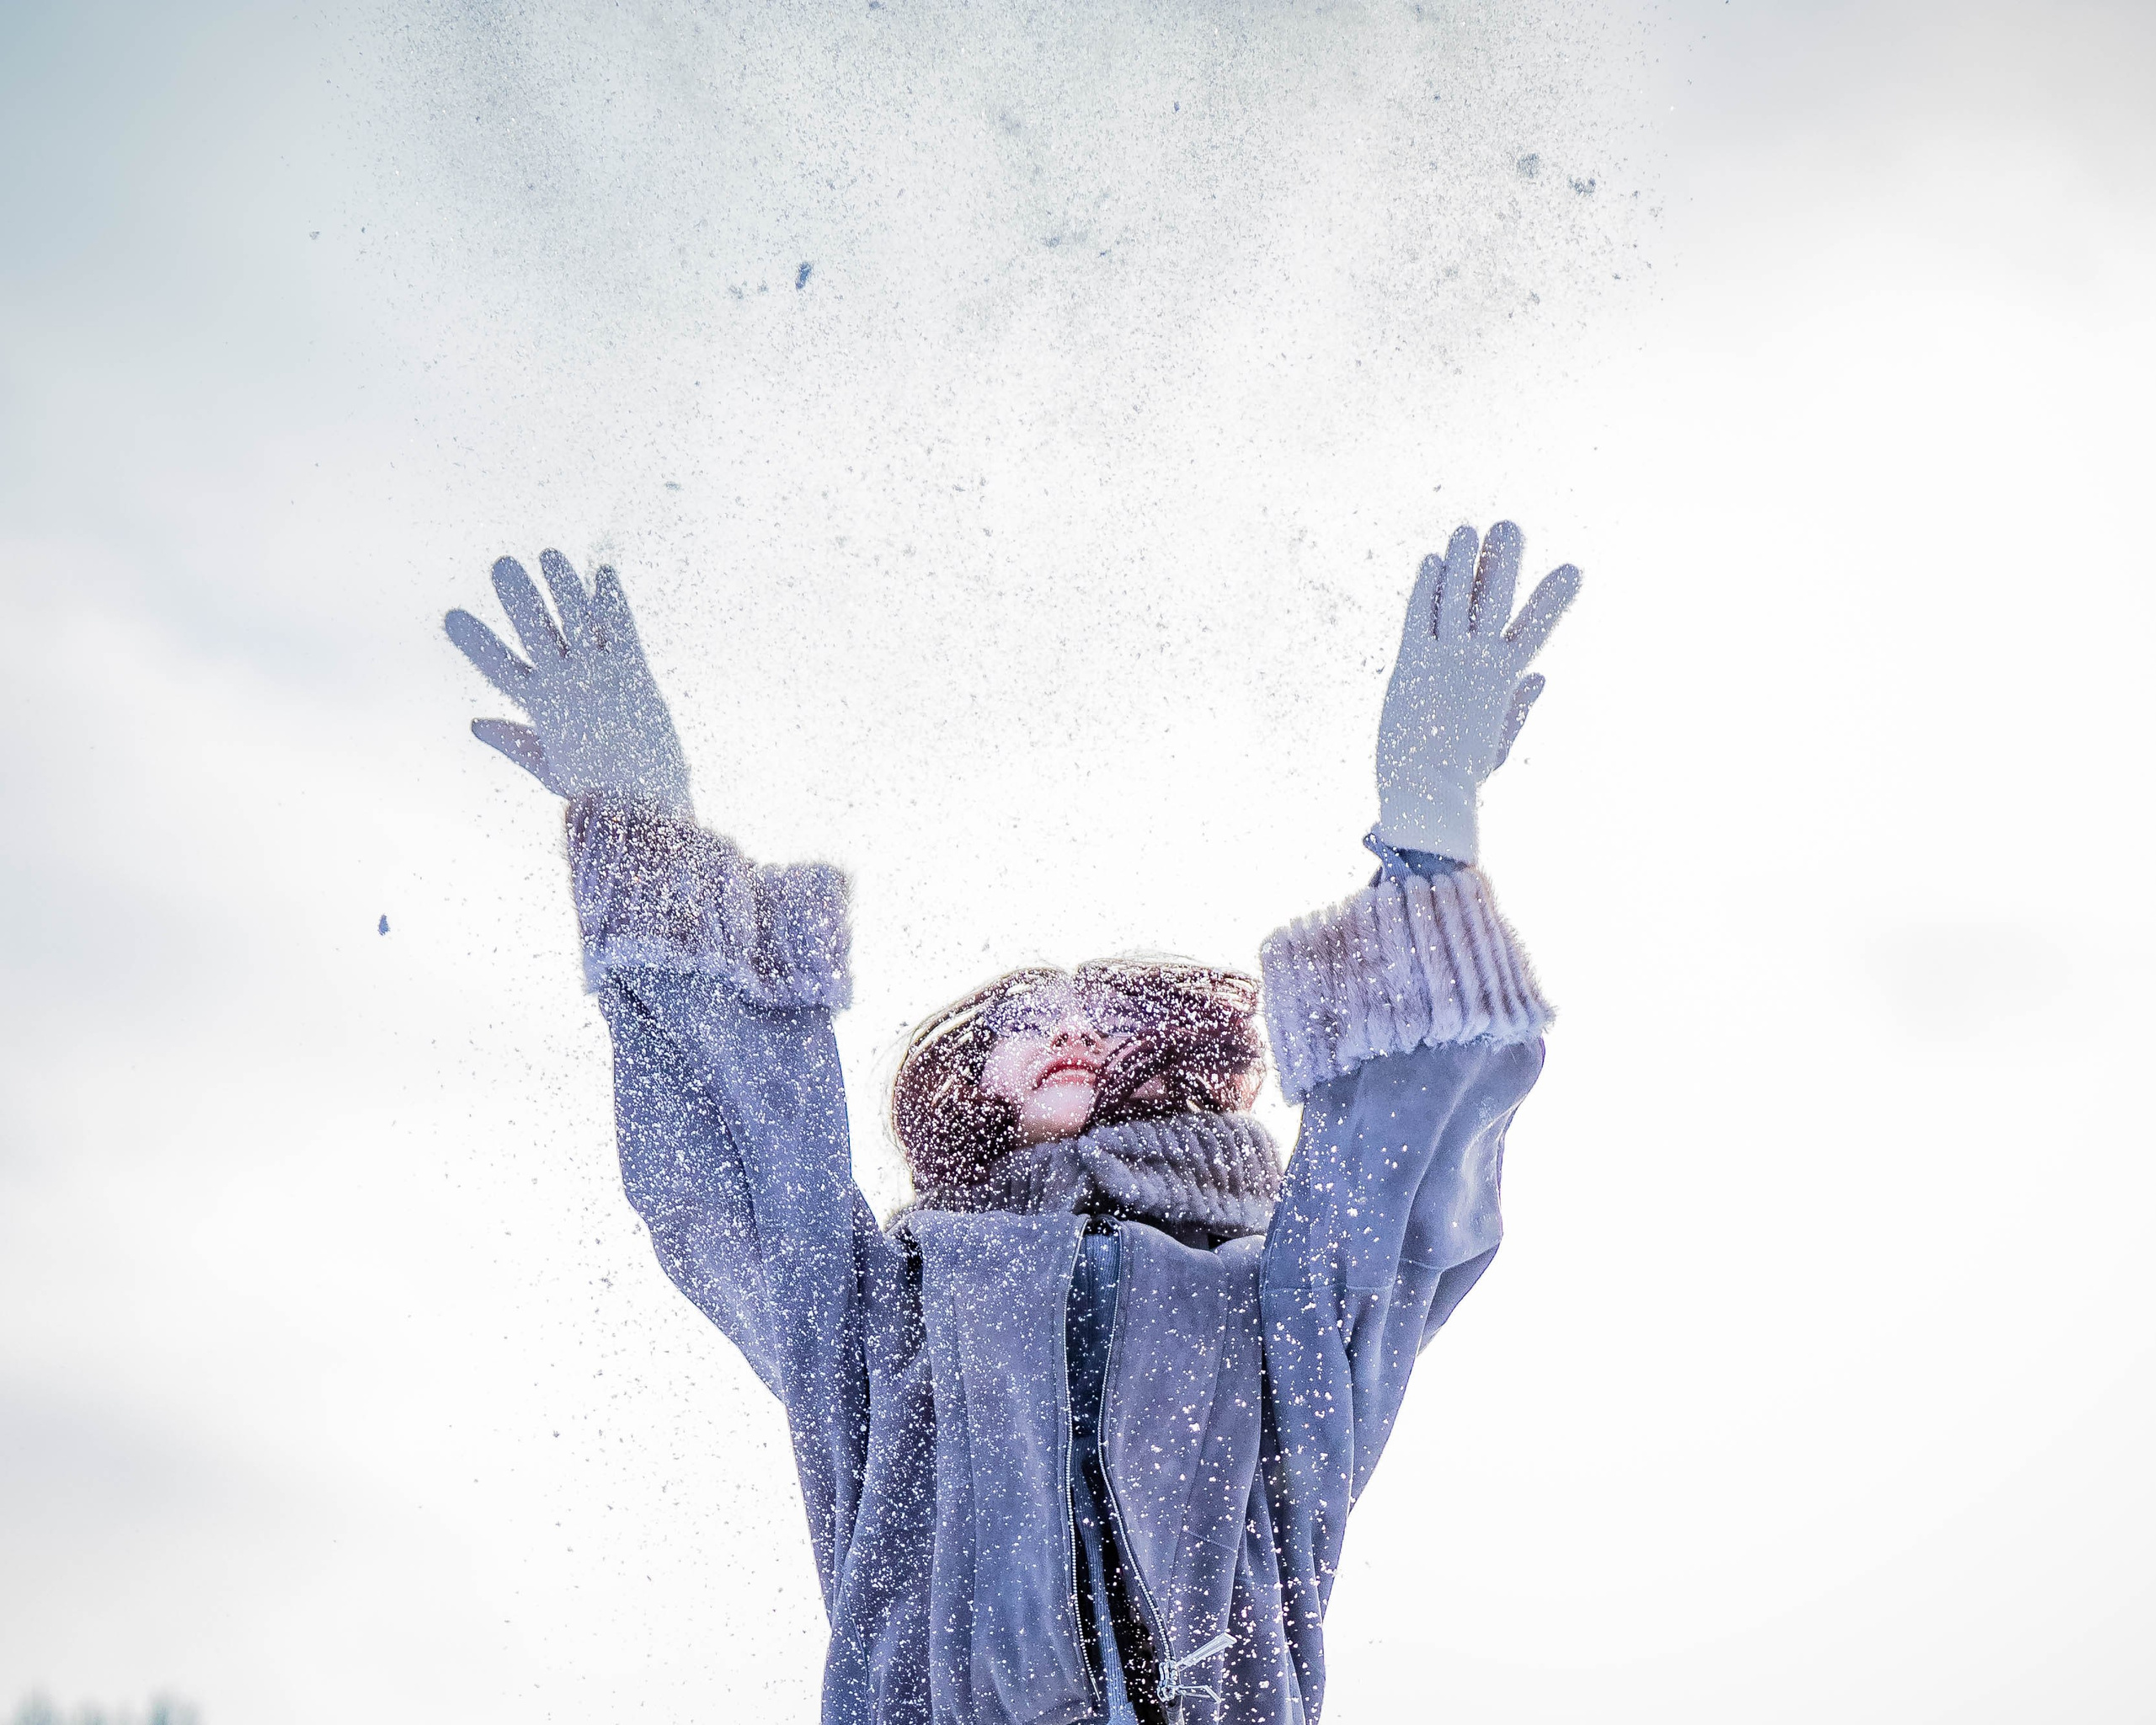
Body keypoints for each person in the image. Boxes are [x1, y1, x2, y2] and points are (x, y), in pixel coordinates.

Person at [444, 521, 1579, 1725]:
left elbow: (1397, 1193)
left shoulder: (1268, 1297)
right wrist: (652, 843)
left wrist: (1430, 832)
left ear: (1169, 1059)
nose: (1070, 1029)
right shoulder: (901, 1306)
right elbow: (736, 1174)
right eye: (1024, 1020)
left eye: (1105, 1013)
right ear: (970, 1084)